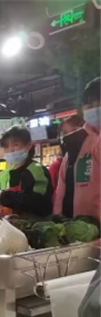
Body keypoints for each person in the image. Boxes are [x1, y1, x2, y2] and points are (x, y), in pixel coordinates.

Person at [54, 77, 100, 220]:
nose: (95, 110)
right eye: (89, 105)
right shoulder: (75, 143)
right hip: (82, 229)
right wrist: (59, 222)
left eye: (99, 104)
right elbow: (61, 193)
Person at [0, 127, 53, 217]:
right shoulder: (4, 175)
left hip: (33, 224)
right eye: (6, 147)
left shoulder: (37, 171)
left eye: (15, 145)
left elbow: (38, 202)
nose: (11, 150)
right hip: (7, 223)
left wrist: (1, 195)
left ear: (29, 145)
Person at [50, 115, 86, 191]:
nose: (69, 136)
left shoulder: (92, 160)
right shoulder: (56, 167)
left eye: (74, 131)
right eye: (64, 133)